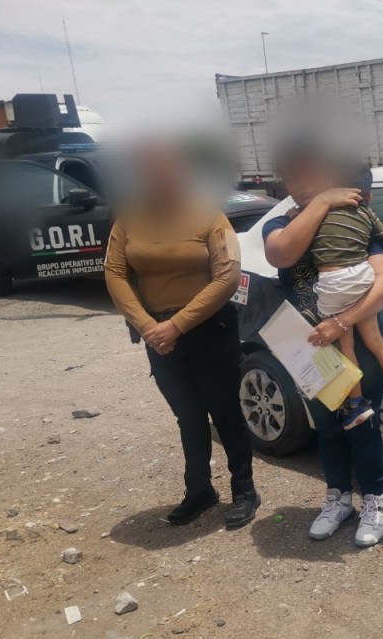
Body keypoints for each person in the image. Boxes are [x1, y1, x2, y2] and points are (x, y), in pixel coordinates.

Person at [104, 141, 260, 529]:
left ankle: (245, 490)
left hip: (209, 330)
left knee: (225, 411)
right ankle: (199, 491)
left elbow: (227, 277)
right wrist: (148, 326)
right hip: (158, 335)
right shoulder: (129, 219)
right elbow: (115, 273)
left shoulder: (210, 217)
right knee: (187, 415)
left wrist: (176, 325)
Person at [263, 144, 383, 547]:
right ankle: (338, 498)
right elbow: (281, 254)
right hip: (311, 348)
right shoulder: (281, 224)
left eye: (312, 175)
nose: (303, 184)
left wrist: (340, 322)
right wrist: (321, 202)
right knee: (327, 427)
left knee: (362, 424)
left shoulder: (351, 219)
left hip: (357, 339)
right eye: (294, 177)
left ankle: (374, 501)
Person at [308, 164, 383, 429]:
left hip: (333, 284)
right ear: (368, 195)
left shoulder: (321, 212)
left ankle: (357, 404)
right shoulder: (367, 212)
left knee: (346, 347)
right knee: (376, 341)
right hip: (361, 277)